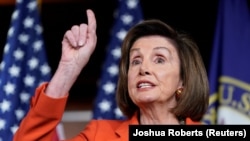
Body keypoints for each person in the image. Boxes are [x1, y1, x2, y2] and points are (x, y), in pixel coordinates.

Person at [13, 9, 209, 141]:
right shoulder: (100, 134)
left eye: (159, 59)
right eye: (136, 61)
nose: (143, 69)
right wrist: (68, 69)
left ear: (183, 80)